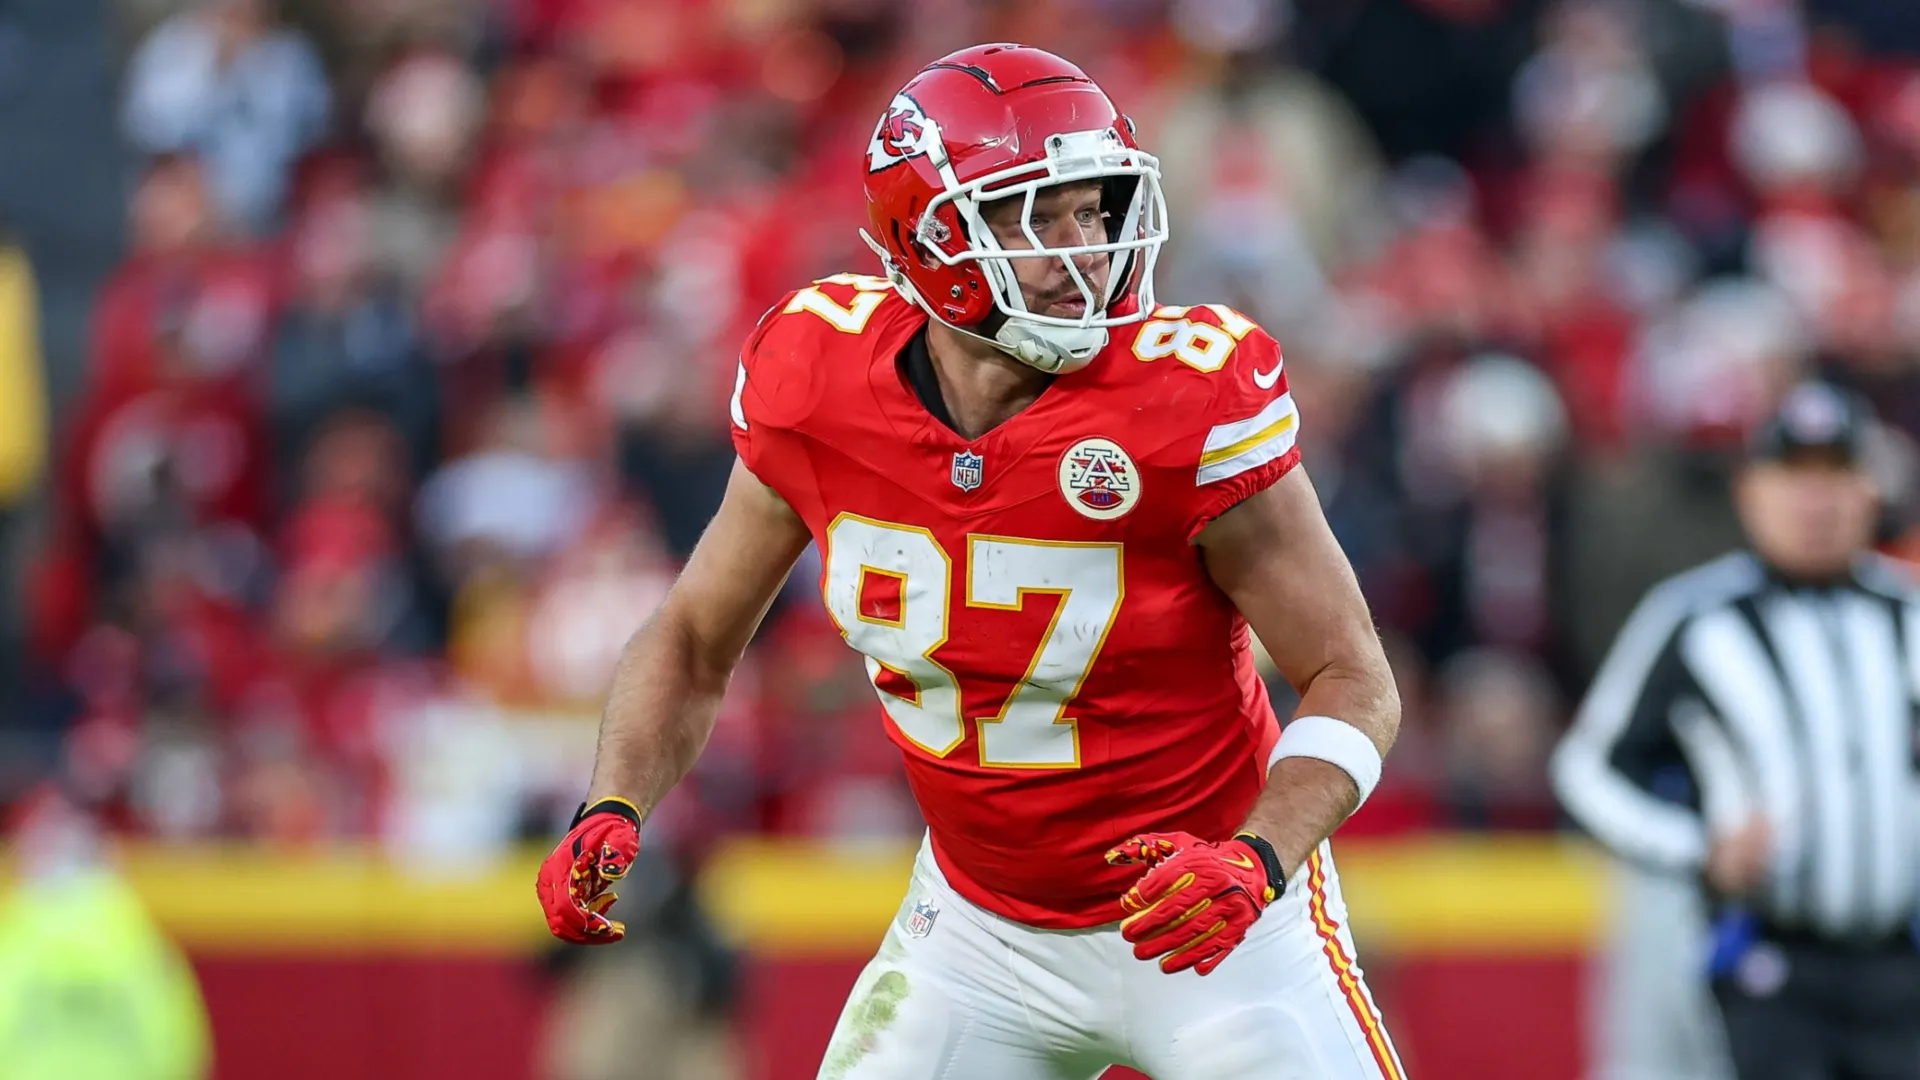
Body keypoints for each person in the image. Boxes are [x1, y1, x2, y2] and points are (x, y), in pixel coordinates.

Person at [535, 45, 1406, 1080]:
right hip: (981, 935)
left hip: (1220, 923)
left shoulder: (1186, 403)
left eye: (1095, 210)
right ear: (932, 232)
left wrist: (1257, 858)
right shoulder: (818, 382)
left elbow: (1356, 679)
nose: (1084, 250)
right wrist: (614, 801)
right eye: (1041, 216)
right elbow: (691, 637)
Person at [1553, 380, 1920, 1080]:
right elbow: (1587, 769)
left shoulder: (1907, 616)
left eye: (1835, 476)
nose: (1816, 503)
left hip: (1901, 962)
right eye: (1795, 478)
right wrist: (1697, 849)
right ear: (1753, 492)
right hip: (1765, 959)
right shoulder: (1694, 618)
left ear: (1869, 492)